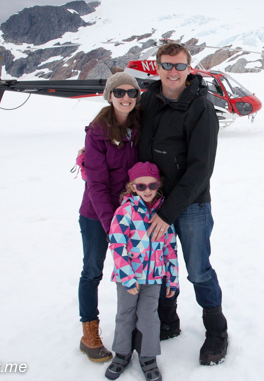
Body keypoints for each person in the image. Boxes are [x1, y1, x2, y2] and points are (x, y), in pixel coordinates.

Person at [139, 42, 228, 365]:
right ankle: (167, 320)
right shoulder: (147, 100)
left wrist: (167, 212)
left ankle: (216, 329)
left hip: (191, 204)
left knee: (198, 270)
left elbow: (201, 168)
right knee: (160, 266)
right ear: (157, 67)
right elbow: (124, 130)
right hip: (153, 201)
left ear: (189, 68)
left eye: (179, 66)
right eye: (166, 65)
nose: (172, 72)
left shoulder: (200, 107)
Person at [77, 73, 141, 363]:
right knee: (92, 270)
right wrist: (111, 225)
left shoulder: (140, 125)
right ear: (109, 95)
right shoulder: (98, 132)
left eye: (132, 92)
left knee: (134, 270)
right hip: (96, 214)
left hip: (132, 213)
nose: (126, 97)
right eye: (119, 92)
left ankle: (135, 327)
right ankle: (89, 331)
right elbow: (97, 185)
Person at [105, 162, 178, 381]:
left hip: (153, 278)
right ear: (132, 187)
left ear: (159, 185)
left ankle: (148, 357)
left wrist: (172, 279)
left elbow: (170, 248)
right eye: (141, 186)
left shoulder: (164, 214)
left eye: (152, 185)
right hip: (127, 278)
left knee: (149, 317)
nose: (147, 190)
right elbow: (117, 244)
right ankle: (122, 353)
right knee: (125, 315)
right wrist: (127, 277)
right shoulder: (125, 211)